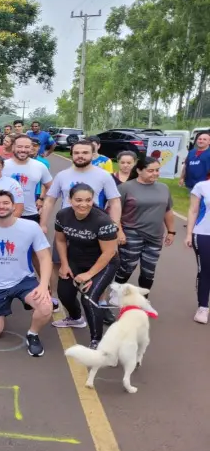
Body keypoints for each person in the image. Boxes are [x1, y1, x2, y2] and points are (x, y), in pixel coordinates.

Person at [0, 190, 53, 357]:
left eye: (5, 203)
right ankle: (0, 309)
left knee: (46, 306)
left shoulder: (30, 227)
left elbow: (44, 258)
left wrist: (43, 285)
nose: (1, 207)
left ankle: (33, 334)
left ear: (14, 206)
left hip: (23, 280)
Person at [40, 141, 121, 302]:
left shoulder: (103, 175)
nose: (80, 156)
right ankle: (57, 299)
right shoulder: (63, 175)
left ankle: (100, 300)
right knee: (58, 263)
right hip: (66, 227)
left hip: (94, 230)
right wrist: (43, 223)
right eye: (77, 152)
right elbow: (50, 200)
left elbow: (115, 202)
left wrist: (115, 226)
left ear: (93, 154)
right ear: (72, 154)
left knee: (99, 265)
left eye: (85, 152)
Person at [52, 184, 120, 349]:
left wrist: (89, 274)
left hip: (103, 263)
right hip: (75, 259)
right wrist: (64, 264)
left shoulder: (103, 220)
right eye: (79, 200)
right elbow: (60, 240)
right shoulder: (62, 215)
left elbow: (109, 253)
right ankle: (76, 318)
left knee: (88, 299)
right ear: (70, 200)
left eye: (88, 200)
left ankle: (97, 340)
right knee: (64, 293)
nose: (84, 204)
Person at [114, 157, 175, 294]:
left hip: (155, 236)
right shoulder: (125, 187)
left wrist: (171, 231)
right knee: (127, 266)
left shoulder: (163, 188)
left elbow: (168, 211)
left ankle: (143, 298)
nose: (155, 173)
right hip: (131, 234)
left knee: (149, 270)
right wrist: (119, 231)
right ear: (139, 171)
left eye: (157, 170)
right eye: (150, 171)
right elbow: (115, 212)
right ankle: (116, 291)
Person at [2, 135, 53, 223]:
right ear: (13, 147)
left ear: (31, 148)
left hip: (30, 214)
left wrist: (42, 200)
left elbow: (51, 187)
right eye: (19, 146)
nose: (23, 150)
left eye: (27, 147)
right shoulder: (2, 165)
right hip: (4, 213)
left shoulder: (40, 166)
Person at [187, 171, 210, 323]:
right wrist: (189, 233)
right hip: (203, 234)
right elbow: (193, 210)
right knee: (206, 271)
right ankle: (203, 307)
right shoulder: (202, 186)